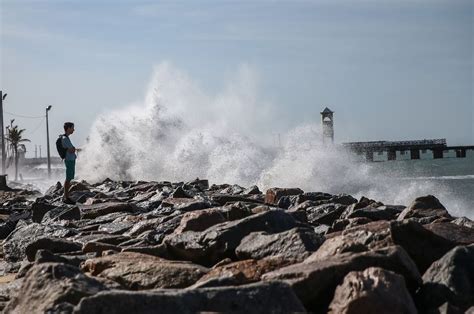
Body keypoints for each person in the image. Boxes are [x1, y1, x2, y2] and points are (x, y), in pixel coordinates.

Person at [61, 122, 78, 203]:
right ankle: (66, 197)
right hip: (69, 160)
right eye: (72, 128)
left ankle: (66, 196)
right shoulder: (65, 138)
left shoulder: (66, 138)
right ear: (68, 128)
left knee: (69, 178)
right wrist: (73, 149)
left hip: (71, 160)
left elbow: (71, 149)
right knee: (68, 179)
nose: (73, 130)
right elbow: (71, 149)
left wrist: (74, 149)